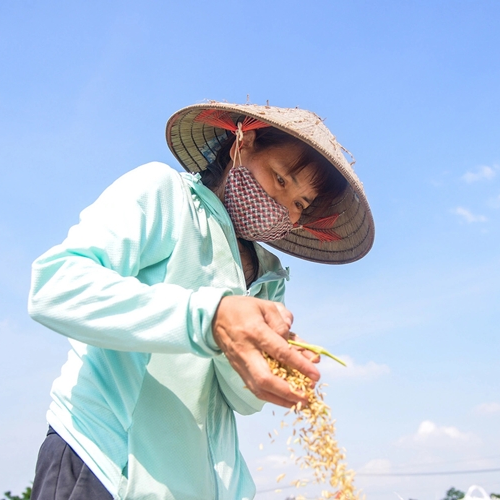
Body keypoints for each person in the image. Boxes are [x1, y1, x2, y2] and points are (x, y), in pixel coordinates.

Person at [27, 101, 374, 500]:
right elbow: (56, 285)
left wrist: (268, 363)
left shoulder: (267, 278)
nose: (281, 206)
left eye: (298, 205)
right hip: (106, 466)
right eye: (280, 179)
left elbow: (242, 401)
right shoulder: (164, 194)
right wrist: (210, 319)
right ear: (244, 144)